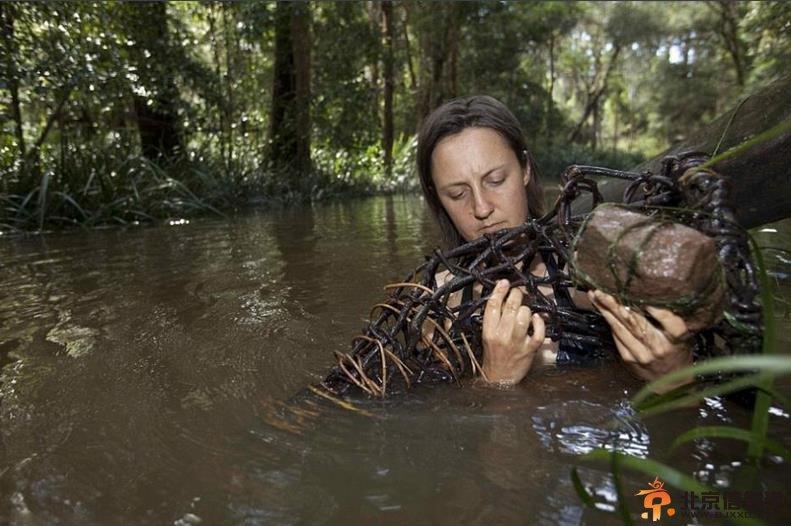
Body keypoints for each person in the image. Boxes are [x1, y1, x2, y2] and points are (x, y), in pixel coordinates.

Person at [416, 95, 693, 390]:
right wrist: (495, 378)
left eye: (496, 180)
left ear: (525, 169)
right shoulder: (438, 300)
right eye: (458, 194)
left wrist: (676, 375)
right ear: (437, 198)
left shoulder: (594, 273)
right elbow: (437, 416)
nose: (482, 208)